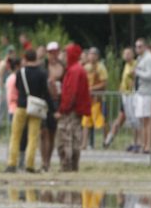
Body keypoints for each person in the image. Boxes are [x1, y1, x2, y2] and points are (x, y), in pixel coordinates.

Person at [6, 48, 50, 173]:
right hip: (35, 108)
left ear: (25, 58)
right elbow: (45, 91)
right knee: (33, 137)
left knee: (15, 136)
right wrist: (52, 108)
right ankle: (29, 165)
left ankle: (12, 164)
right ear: (36, 58)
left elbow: (17, 86)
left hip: (21, 106)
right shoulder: (42, 73)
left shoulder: (21, 72)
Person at [56, 43, 91, 172]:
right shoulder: (77, 69)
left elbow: (71, 93)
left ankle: (66, 165)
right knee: (75, 138)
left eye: (65, 54)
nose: (63, 56)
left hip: (70, 111)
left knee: (65, 138)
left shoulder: (74, 71)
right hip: (76, 110)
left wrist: (63, 109)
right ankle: (73, 166)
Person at [104, 47, 139, 149]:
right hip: (125, 96)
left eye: (129, 53)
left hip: (132, 96)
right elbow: (124, 80)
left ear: (132, 54)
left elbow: (135, 78)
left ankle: (136, 142)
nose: (126, 55)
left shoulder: (135, 64)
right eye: (125, 54)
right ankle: (108, 139)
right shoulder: (126, 65)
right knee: (120, 119)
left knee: (133, 120)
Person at [41, 42, 65, 172]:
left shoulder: (62, 67)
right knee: (43, 133)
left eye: (55, 52)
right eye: (51, 52)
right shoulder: (44, 66)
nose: (53, 55)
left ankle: (48, 161)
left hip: (56, 101)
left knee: (52, 133)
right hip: (45, 102)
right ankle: (44, 161)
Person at [80, 47, 108, 150]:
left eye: (93, 54)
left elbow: (104, 83)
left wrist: (91, 89)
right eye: (90, 54)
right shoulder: (86, 67)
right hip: (88, 100)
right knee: (86, 122)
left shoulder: (101, 67)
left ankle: (106, 141)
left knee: (100, 122)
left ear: (97, 56)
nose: (91, 56)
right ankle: (84, 144)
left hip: (97, 100)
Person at [134, 38, 151, 155]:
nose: (137, 49)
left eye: (140, 46)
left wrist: (137, 72)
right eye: (136, 46)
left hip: (148, 93)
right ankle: (143, 144)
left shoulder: (150, 59)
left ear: (145, 47)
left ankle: (148, 145)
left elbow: (150, 75)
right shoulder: (140, 59)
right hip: (140, 93)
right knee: (142, 120)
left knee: (148, 120)